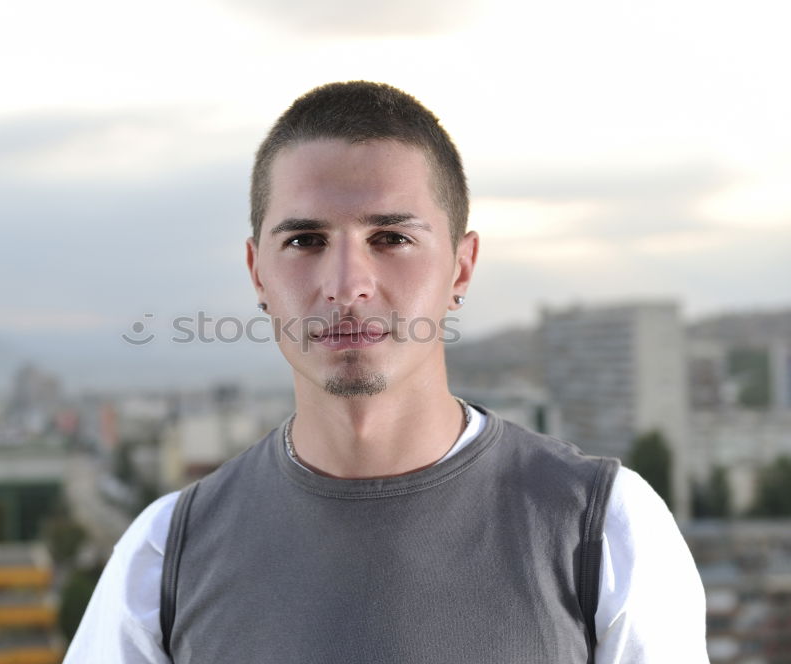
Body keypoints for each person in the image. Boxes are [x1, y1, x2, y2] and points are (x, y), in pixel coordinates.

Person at [63, 81, 708, 663]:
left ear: (461, 267)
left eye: (391, 238)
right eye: (305, 241)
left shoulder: (605, 531)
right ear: (258, 272)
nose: (347, 286)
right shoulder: (161, 559)